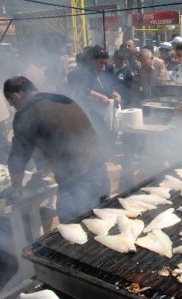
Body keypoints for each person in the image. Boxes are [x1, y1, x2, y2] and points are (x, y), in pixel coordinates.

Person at [3, 76, 109, 223]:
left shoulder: (27, 112)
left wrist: (16, 188)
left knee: (73, 227)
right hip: (99, 170)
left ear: (16, 97)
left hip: (76, 180)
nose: (15, 108)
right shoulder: (59, 98)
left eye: (12, 104)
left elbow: (18, 156)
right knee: (103, 221)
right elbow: (61, 135)